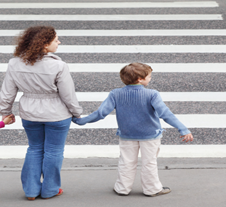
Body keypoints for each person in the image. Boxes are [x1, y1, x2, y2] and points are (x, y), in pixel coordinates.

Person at [72, 63, 193, 197]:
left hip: (127, 135)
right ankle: (152, 189)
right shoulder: (152, 94)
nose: (150, 78)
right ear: (140, 79)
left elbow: (101, 113)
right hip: (150, 135)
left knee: (126, 162)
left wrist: (81, 121)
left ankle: (122, 188)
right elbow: (165, 114)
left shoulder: (115, 94)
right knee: (149, 163)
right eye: (149, 76)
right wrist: (183, 129)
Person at [0, 26, 82, 200]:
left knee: (35, 148)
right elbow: (68, 95)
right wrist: (76, 112)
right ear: (44, 44)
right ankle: (50, 189)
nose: (59, 42)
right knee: (54, 151)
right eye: (56, 40)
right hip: (57, 114)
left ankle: (30, 190)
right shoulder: (59, 65)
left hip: (29, 113)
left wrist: (6, 111)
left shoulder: (14, 63)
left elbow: (7, 91)